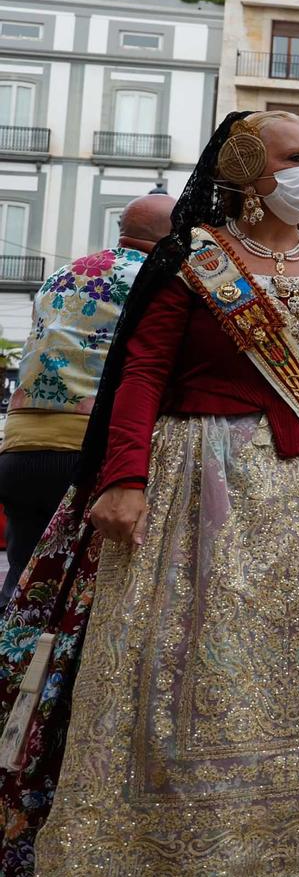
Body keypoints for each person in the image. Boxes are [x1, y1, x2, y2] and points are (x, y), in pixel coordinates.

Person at [0, 109, 299, 877]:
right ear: (245, 169)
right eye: (295, 156)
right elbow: (142, 372)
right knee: (190, 663)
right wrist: (124, 477)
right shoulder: (192, 260)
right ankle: (182, 840)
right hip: (202, 493)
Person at [0, 192, 173, 601]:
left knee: (23, 587)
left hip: (19, 446)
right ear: (174, 234)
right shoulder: (157, 279)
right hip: (88, 448)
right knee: (89, 598)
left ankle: (12, 662)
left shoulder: (61, 275)